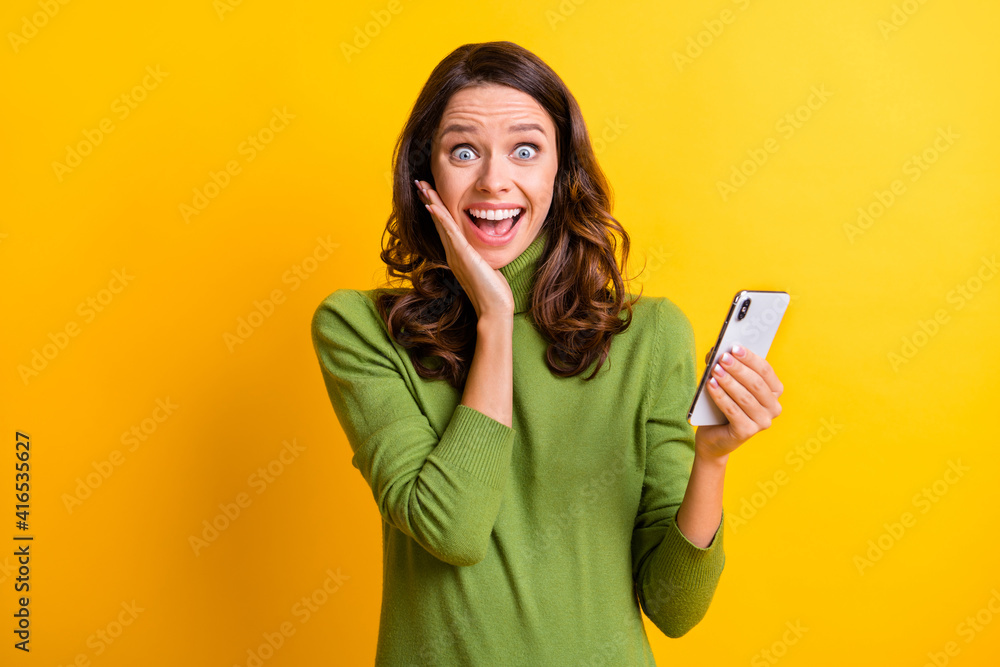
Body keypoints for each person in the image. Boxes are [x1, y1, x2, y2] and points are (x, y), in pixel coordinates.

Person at [311, 40, 784, 666]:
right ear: (426, 174)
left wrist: (713, 459)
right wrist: (495, 319)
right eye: (463, 151)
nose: (493, 180)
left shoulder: (647, 336)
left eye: (525, 150)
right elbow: (452, 529)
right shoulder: (362, 329)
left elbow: (675, 607)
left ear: (562, 175)